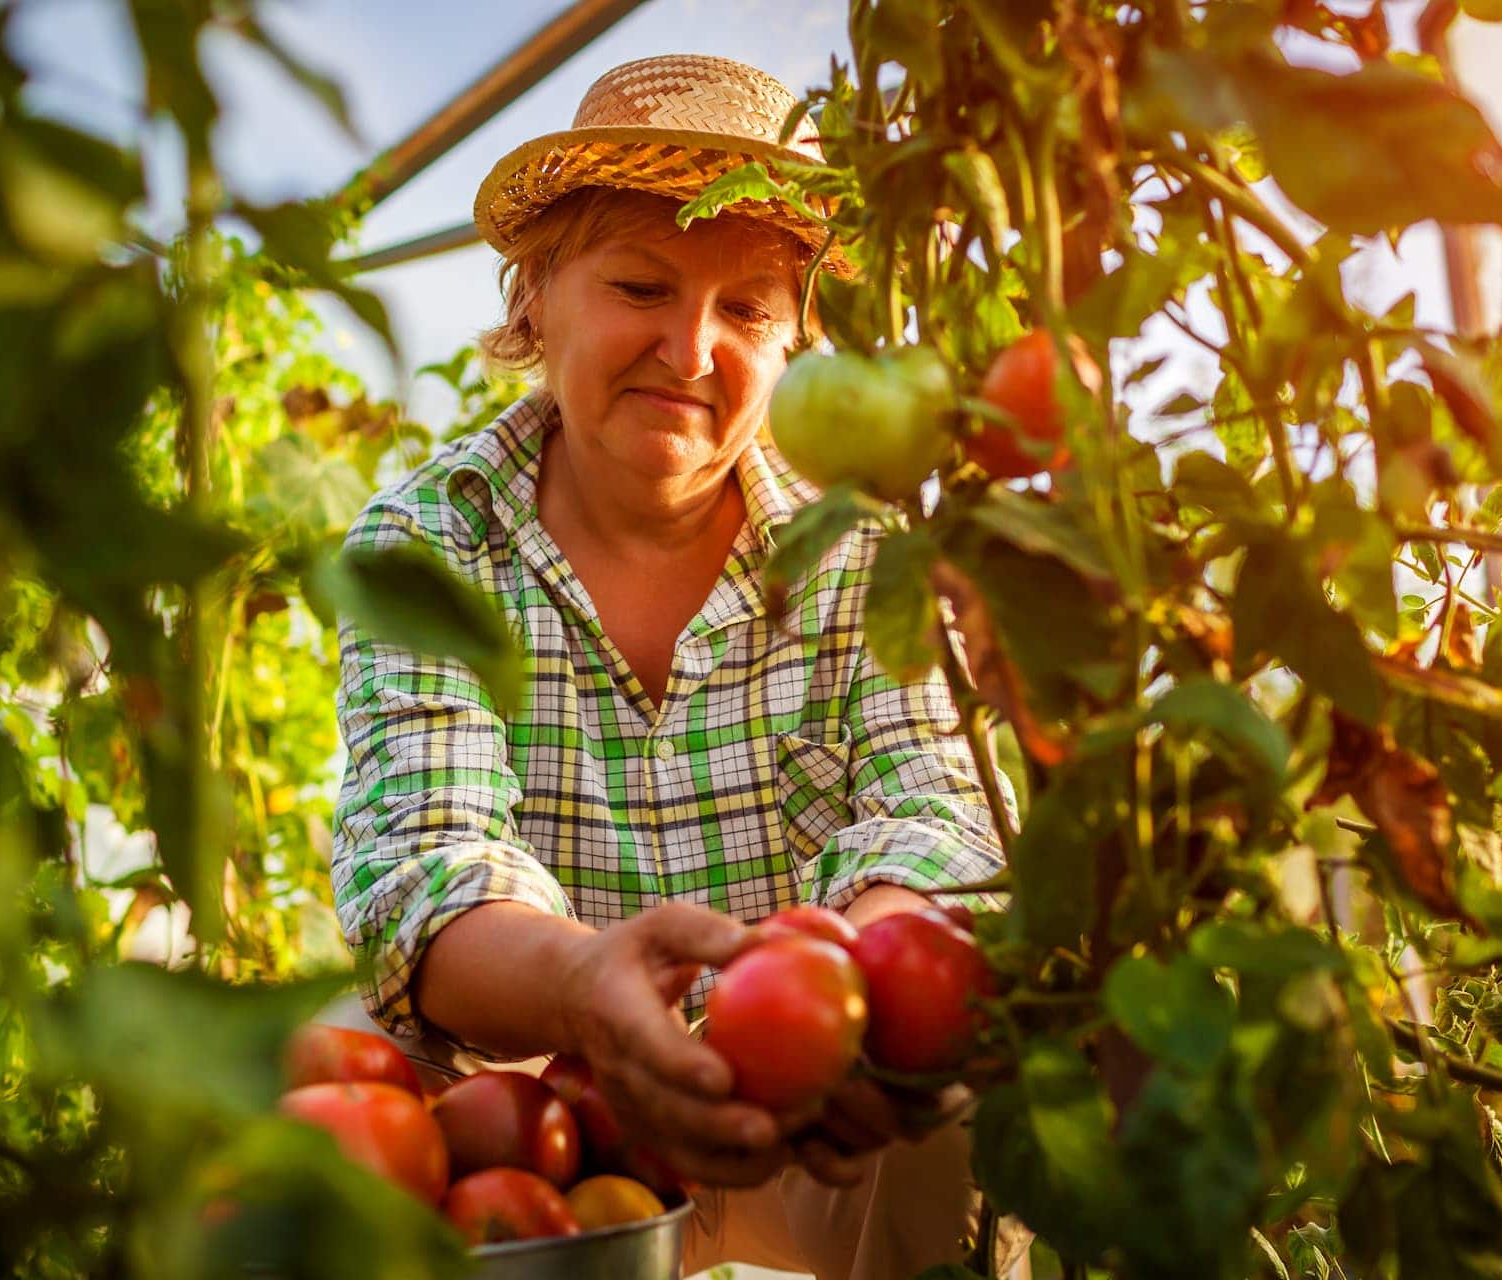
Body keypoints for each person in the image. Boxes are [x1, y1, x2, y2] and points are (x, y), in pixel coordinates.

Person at [329, 53, 1018, 1280]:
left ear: (799, 337)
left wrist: (854, 992)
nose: (690, 350)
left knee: (953, 1113)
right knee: (339, 1090)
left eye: (748, 310)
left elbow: (934, 818)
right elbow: (420, 860)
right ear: (536, 292)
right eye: (640, 284)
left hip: (802, 1107)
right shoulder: (430, 541)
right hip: (543, 1102)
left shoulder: (863, 555)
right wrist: (584, 983)